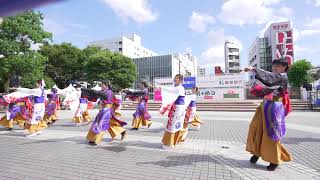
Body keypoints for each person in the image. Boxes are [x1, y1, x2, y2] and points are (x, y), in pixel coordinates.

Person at [244, 58, 292, 171]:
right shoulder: (273, 76)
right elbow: (265, 80)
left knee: (272, 135)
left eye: (279, 66)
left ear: (285, 67)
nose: (275, 67)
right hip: (264, 106)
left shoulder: (282, 77)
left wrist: (254, 69)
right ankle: (256, 152)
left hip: (274, 108)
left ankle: (274, 160)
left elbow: (270, 77)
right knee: (256, 129)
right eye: (274, 65)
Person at [86, 80, 127, 145]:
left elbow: (104, 96)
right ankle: (122, 131)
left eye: (102, 85)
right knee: (107, 124)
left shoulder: (109, 92)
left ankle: (95, 139)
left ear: (106, 85)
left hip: (107, 110)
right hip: (103, 110)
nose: (101, 86)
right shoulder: (104, 91)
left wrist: (94, 92)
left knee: (100, 124)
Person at [159, 74, 189, 149]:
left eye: (177, 78)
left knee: (172, 125)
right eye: (175, 78)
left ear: (181, 80)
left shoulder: (179, 88)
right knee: (176, 125)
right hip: (179, 108)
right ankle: (179, 138)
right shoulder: (179, 88)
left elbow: (169, 90)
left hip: (178, 108)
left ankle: (171, 144)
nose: (175, 79)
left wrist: (160, 87)